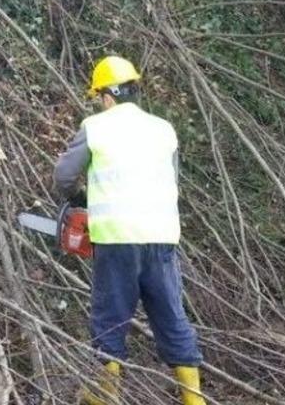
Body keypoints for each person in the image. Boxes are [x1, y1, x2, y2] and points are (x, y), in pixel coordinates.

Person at [53, 56, 206, 405]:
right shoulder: (163, 129)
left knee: (109, 322)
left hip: (117, 241)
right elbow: (172, 180)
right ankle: (194, 400)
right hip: (161, 238)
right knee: (172, 320)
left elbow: (62, 176)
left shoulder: (96, 126)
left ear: (107, 95)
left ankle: (104, 396)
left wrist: (80, 198)